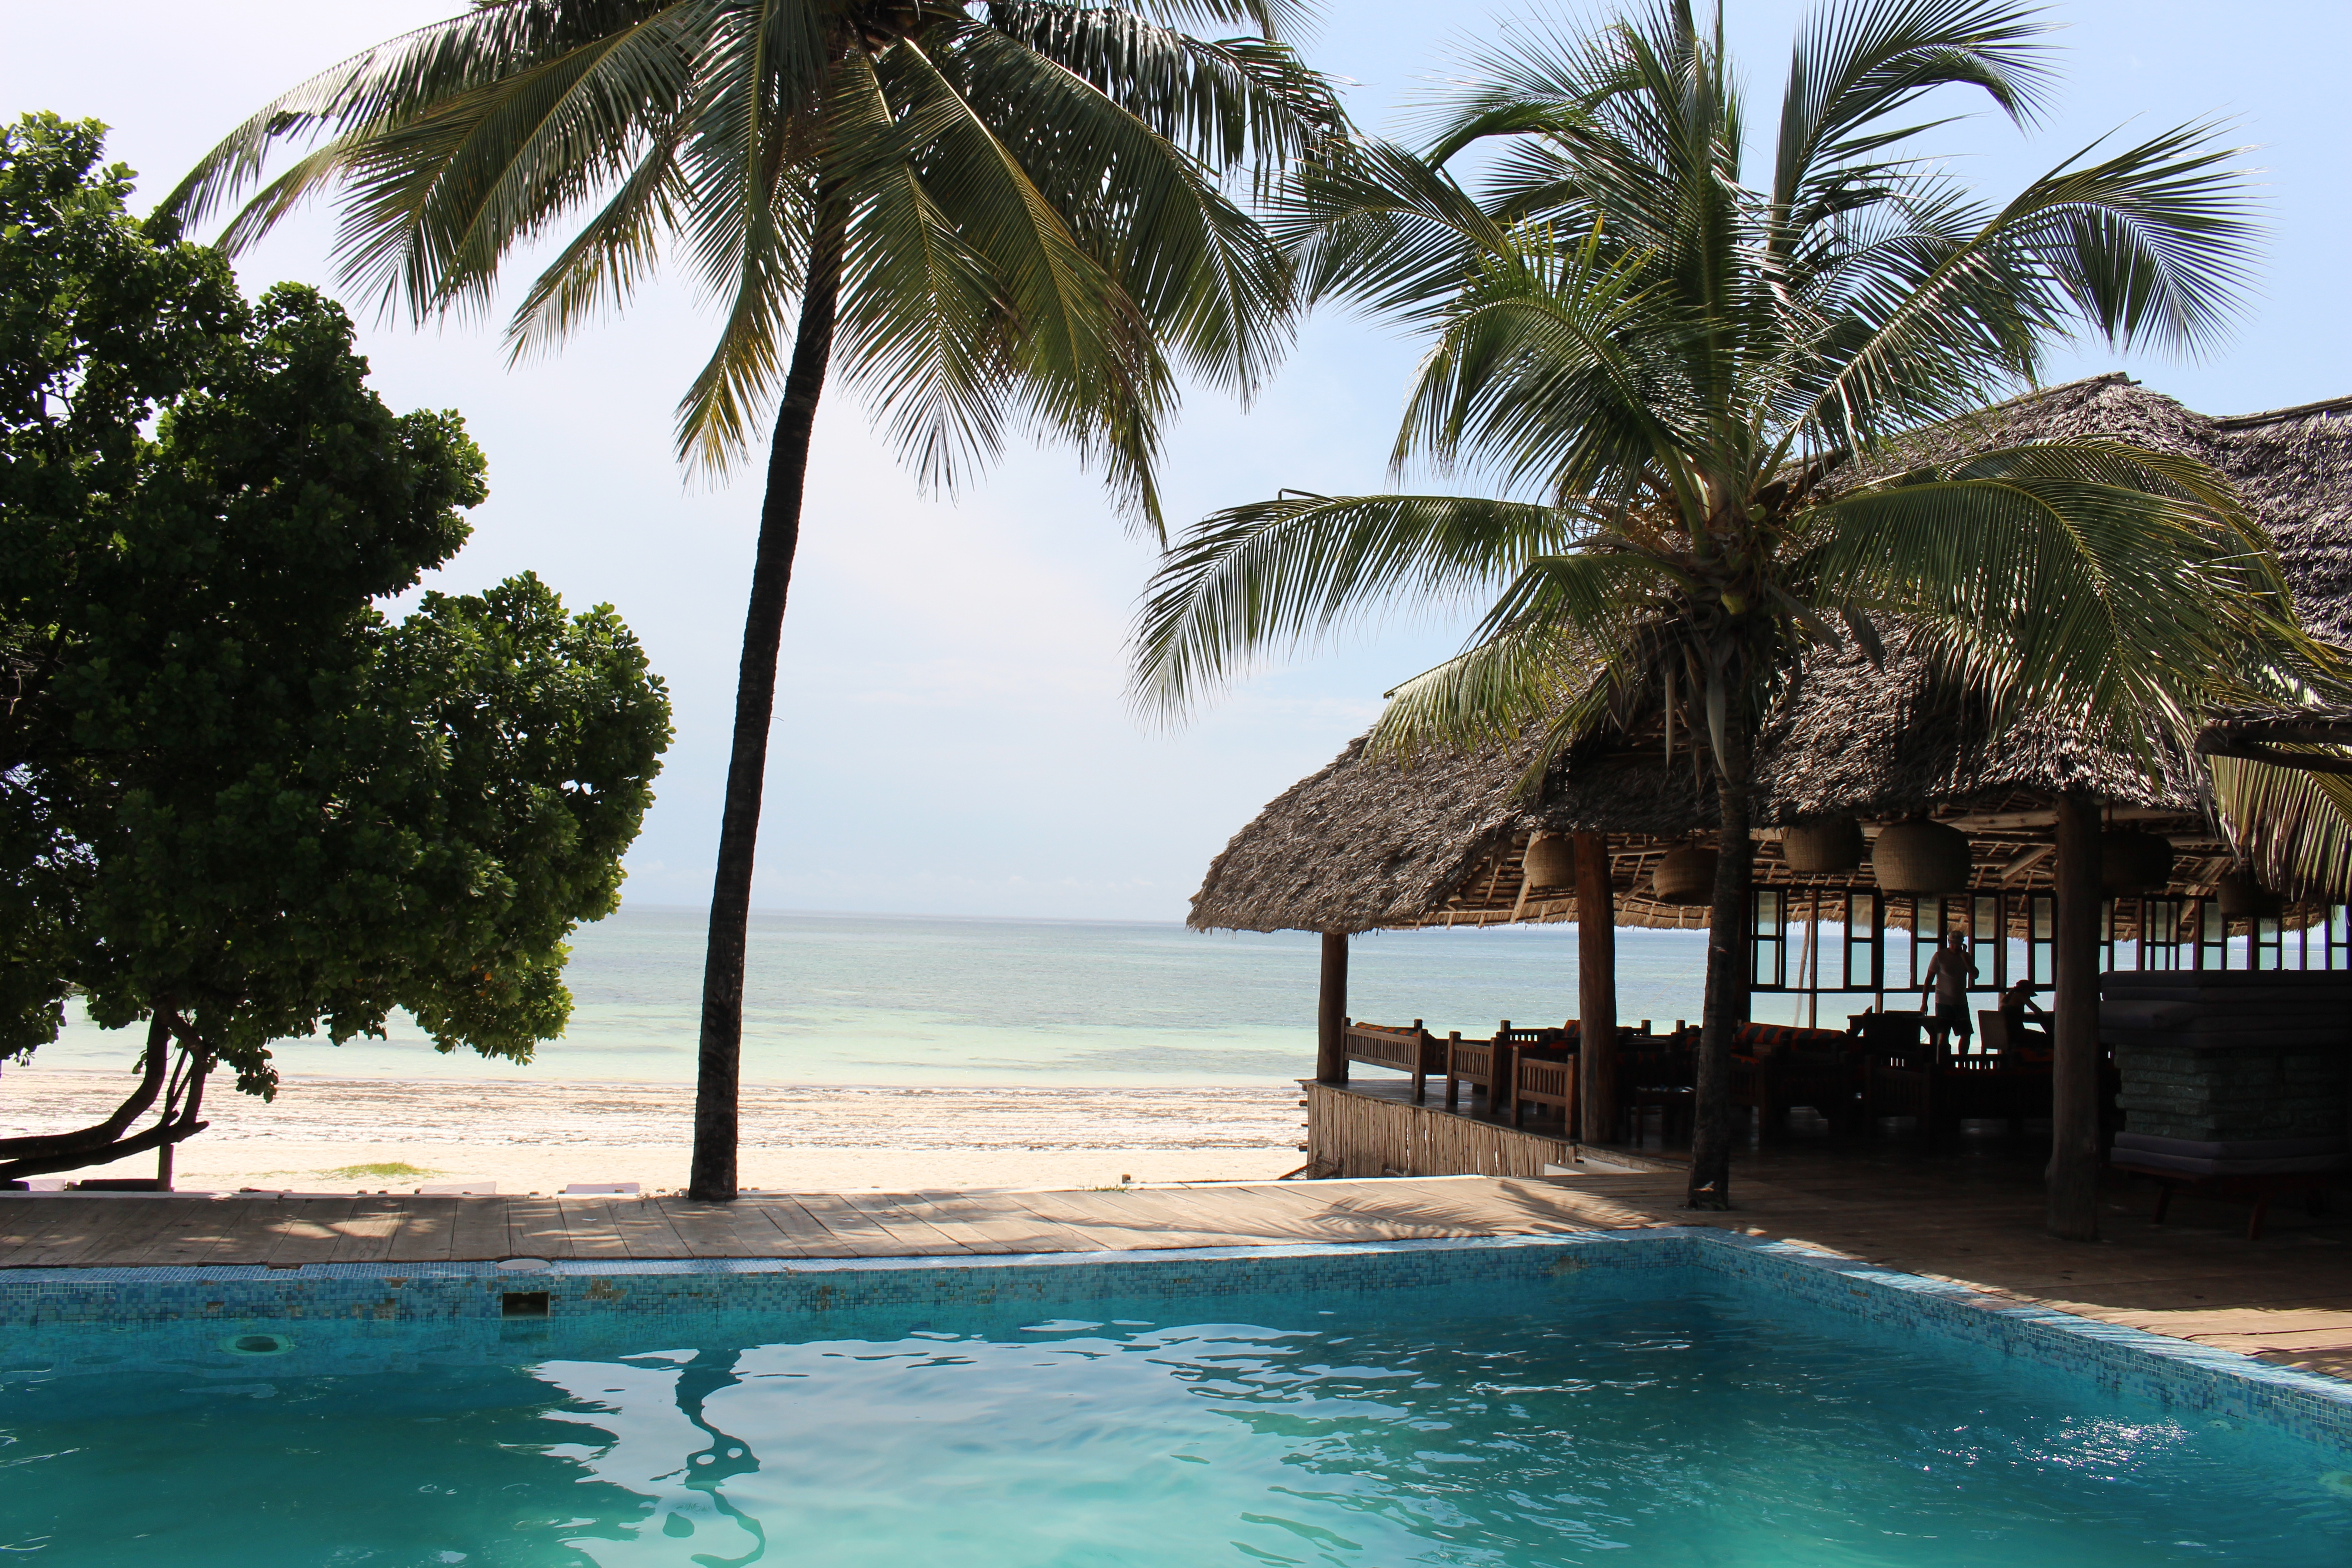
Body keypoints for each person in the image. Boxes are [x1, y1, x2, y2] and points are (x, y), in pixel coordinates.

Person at [1920, 932, 1979, 1052]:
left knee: (1966, 1034)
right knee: (1943, 1034)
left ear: (1962, 944)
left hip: (1961, 1001)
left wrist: (1964, 957)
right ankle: (1944, 1063)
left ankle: (1962, 1063)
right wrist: (1924, 1003)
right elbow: (1929, 980)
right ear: (1949, 942)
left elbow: (1974, 975)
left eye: (1958, 944)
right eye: (1953, 944)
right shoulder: (1940, 956)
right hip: (1943, 1001)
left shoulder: (1966, 957)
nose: (1956, 947)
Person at [1998, 980, 2052, 1052]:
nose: (2029, 996)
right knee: (2047, 1038)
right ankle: (2042, 1058)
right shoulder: (2020, 995)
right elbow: (2038, 1011)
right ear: (2026, 990)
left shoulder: (2009, 998)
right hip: (2018, 1035)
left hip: (2007, 1035)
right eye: (2030, 993)